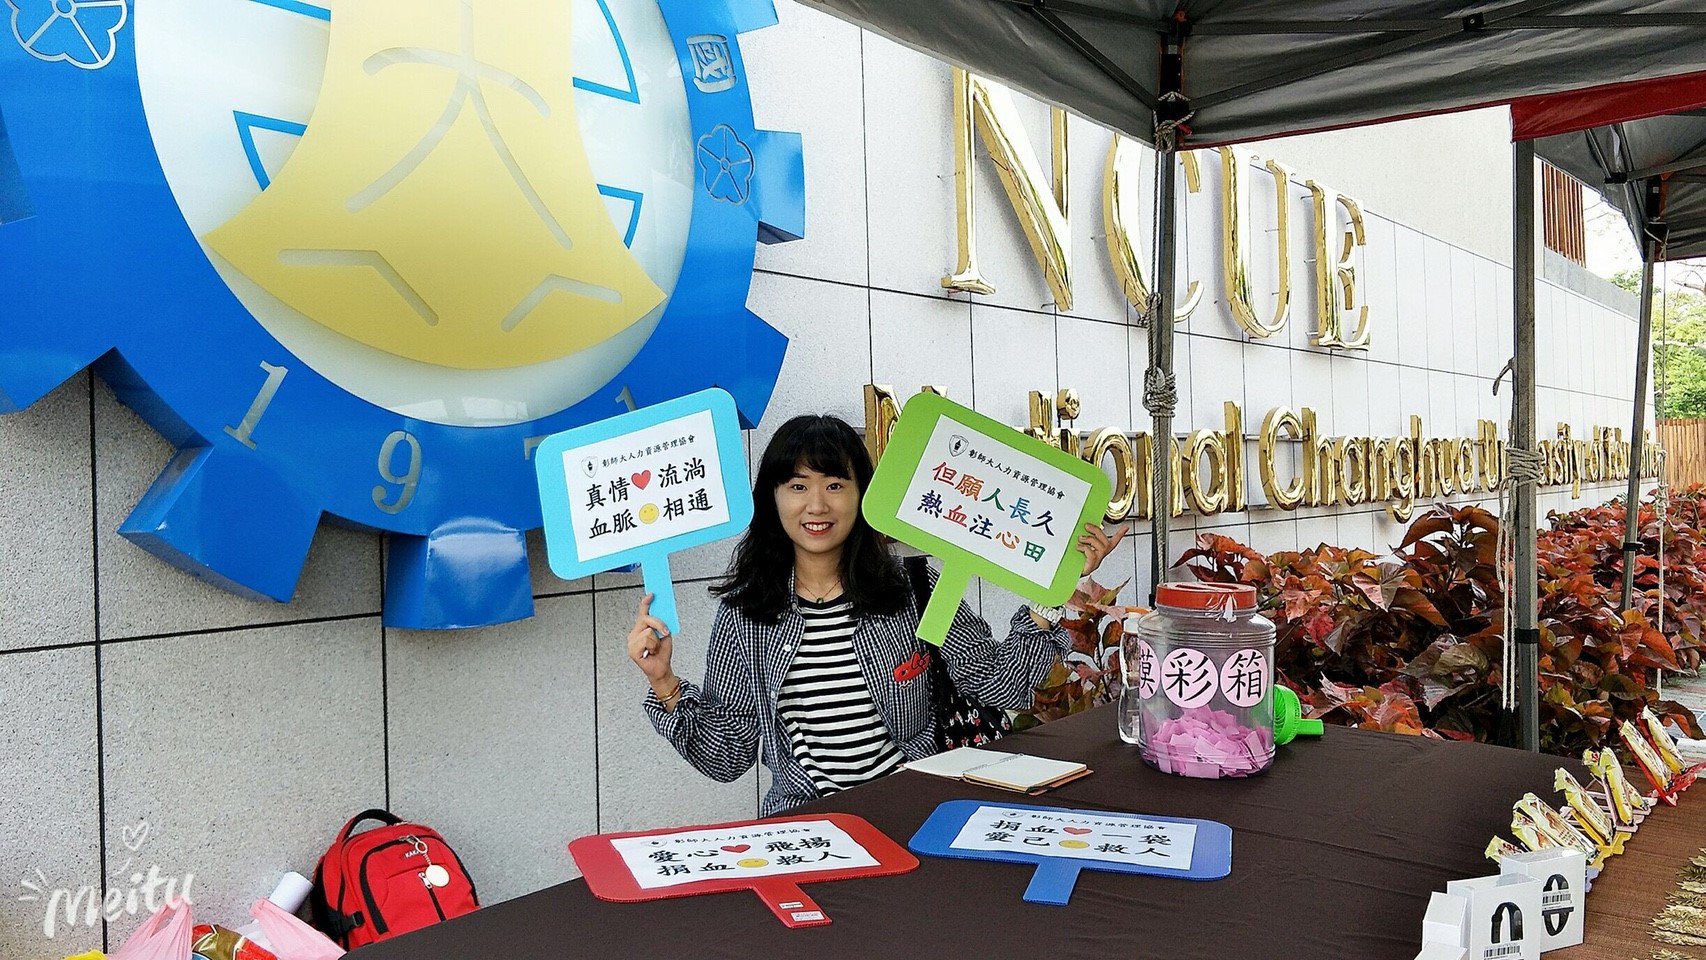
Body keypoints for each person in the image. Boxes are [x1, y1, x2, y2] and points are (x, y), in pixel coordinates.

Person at [627, 414, 1126, 815]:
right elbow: (727, 757)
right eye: (797, 486)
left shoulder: (911, 589)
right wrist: (664, 681)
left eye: (835, 484)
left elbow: (998, 685)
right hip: (809, 825)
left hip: (915, 811)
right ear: (772, 498)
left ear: (863, 493)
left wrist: (1052, 591)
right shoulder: (746, 614)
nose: (816, 505)